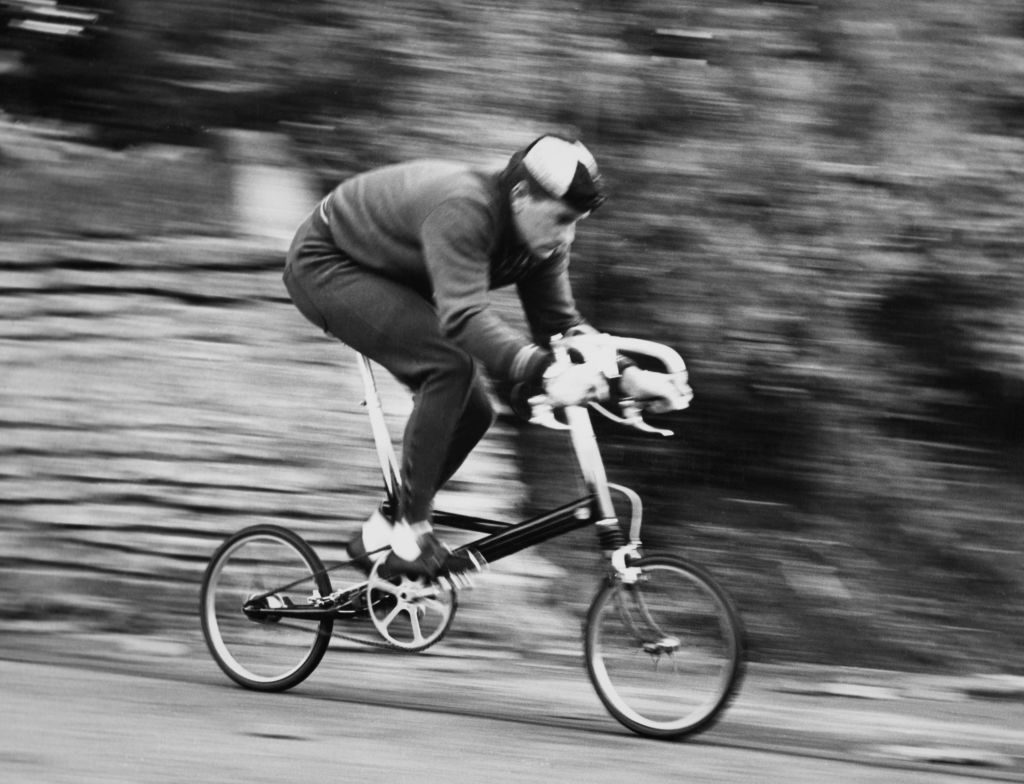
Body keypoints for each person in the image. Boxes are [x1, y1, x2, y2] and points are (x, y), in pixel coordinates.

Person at [283, 134, 683, 580]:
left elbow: (560, 326)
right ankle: (407, 533)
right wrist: (547, 375)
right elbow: (464, 317)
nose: (568, 235)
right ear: (519, 196)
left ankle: (383, 529)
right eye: (562, 219)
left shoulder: (544, 242)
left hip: (397, 274)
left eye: (578, 223)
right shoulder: (464, 210)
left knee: (474, 409)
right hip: (329, 264)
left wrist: (629, 377)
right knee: (450, 366)